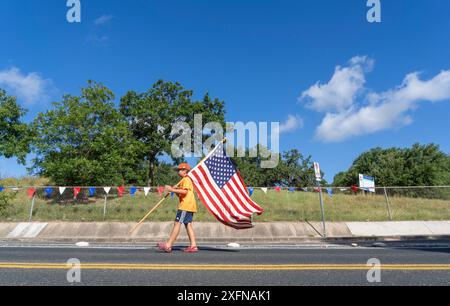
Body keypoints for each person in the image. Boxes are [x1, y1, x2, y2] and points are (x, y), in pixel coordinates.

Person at [157, 163, 198, 253]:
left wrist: (171, 189)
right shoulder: (184, 180)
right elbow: (180, 193)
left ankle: (168, 245)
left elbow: (185, 192)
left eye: (179, 170)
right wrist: (175, 190)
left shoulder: (186, 179)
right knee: (188, 224)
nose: (178, 172)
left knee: (177, 223)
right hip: (189, 205)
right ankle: (193, 245)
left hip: (185, 205)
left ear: (184, 171)